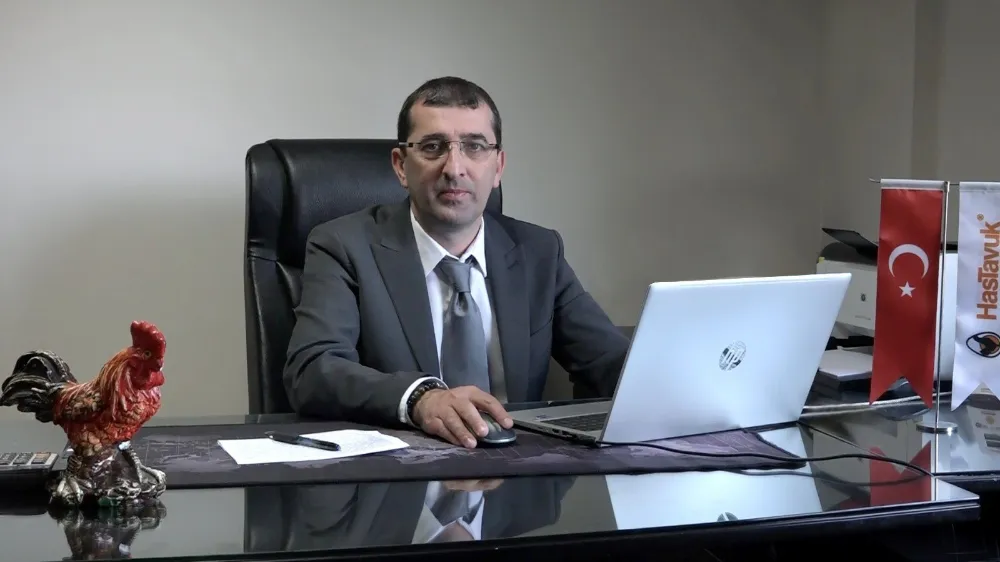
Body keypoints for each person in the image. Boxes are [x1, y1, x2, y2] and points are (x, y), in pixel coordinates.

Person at [283, 76, 629, 449]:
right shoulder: (343, 246)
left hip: (517, 469)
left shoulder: (538, 251)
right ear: (401, 166)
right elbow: (313, 369)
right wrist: (420, 398)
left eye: (474, 147)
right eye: (433, 147)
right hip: (402, 473)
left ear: (498, 166)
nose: (454, 167)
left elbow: (611, 362)